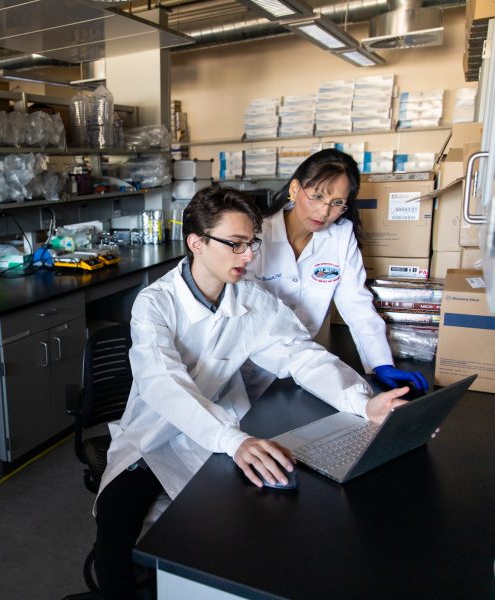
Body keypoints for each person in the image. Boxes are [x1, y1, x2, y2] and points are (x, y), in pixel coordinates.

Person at [92, 186, 410, 600]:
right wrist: (231, 440)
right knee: (115, 531)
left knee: (237, 532)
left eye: (252, 243)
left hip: (224, 428)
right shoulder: (155, 304)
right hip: (155, 433)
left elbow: (301, 355)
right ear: (197, 243)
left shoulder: (252, 301)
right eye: (236, 244)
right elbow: (162, 382)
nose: (248, 256)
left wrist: (362, 402)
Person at [242, 148, 429, 402]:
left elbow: (356, 304)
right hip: (245, 366)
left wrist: (381, 363)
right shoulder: (254, 233)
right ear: (295, 189)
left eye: (337, 203)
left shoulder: (340, 236)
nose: (324, 212)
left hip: (301, 369)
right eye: (318, 196)